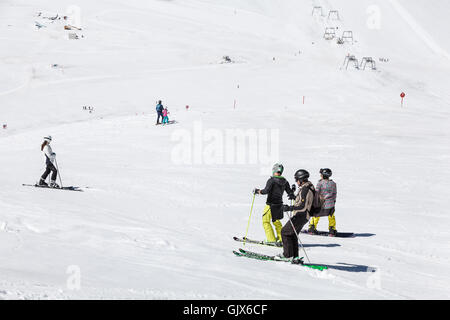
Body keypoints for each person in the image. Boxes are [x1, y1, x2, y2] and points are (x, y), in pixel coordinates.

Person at [254, 163, 295, 244]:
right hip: (279, 205)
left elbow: (265, 191)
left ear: (274, 170)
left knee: (266, 221)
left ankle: (271, 240)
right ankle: (282, 239)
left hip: (270, 205)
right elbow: (290, 192)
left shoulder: (271, 180)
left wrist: (257, 191)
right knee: (276, 221)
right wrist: (292, 190)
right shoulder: (285, 181)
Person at [280, 169, 315, 260]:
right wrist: (294, 197)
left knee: (284, 232)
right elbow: (302, 201)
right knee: (292, 234)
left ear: (301, 179)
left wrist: (289, 208)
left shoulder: (305, 189)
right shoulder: (308, 187)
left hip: (301, 216)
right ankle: (294, 256)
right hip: (304, 216)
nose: (296, 182)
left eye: (296, 180)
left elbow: (303, 206)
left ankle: (287, 256)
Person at [308, 168, 338, 236]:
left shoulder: (320, 183)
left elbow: (317, 193)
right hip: (330, 204)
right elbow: (334, 193)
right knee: (331, 216)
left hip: (321, 203)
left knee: (316, 215)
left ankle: (312, 228)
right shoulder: (333, 183)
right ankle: (332, 229)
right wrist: (334, 201)